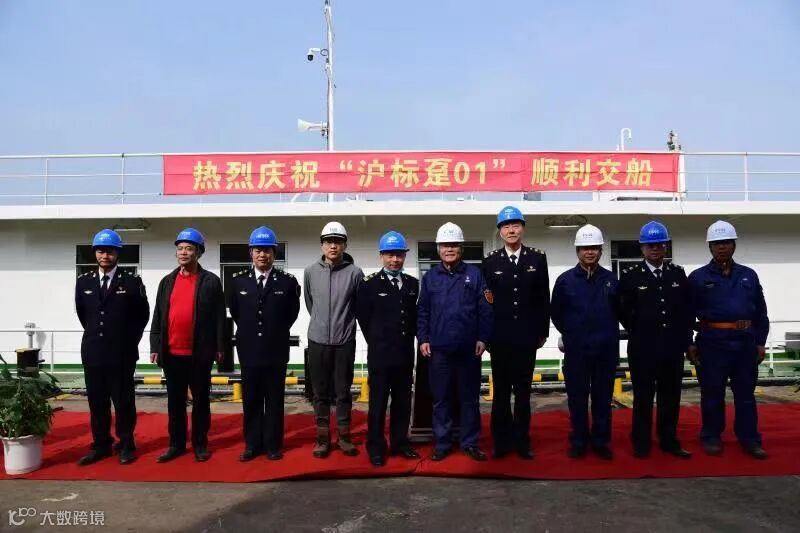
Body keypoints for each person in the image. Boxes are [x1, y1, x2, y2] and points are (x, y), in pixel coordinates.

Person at [687, 220, 769, 459]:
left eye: (726, 242)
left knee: (746, 395)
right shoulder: (698, 277)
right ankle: (711, 436)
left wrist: (760, 342)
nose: (722, 247)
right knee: (712, 394)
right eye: (717, 243)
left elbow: (761, 313)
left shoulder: (749, 275)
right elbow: (685, 315)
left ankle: (750, 439)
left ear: (734, 245)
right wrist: (689, 343)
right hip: (712, 343)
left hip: (745, 343)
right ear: (709, 247)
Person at [418, 222, 493, 462]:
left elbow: (485, 309)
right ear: (438, 249)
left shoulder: (475, 274)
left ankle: (470, 443)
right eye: (444, 245)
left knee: (469, 398)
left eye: (453, 245)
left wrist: (483, 338)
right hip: (439, 351)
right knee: (441, 399)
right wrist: (423, 338)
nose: (449, 249)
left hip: (469, 350)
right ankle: (442, 444)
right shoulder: (430, 277)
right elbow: (423, 311)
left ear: (461, 248)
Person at [150, 228, 226, 463]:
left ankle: (200, 444)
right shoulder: (167, 281)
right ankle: (176, 444)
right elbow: (158, 315)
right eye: (180, 248)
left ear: (199, 252)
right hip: (172, 352)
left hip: (200, 353)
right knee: (175, 402)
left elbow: (220, 318)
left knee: (201, 401)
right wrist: (155, 345)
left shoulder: (211, 281)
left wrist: (220, 347)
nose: (183, 252)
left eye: (189, 248)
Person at [74, 229, 149, 466]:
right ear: (95, 253)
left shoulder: (131, 282)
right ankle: (101, 445)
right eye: (101, 251)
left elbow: (142, 316)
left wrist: (127, 341)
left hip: (122, 353)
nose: (105, 256)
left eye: (110, 251)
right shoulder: (84, 281)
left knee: (123, 401)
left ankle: (126, 444)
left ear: (118, 254)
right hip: (93, 352)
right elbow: (84, 315)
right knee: (97, 402)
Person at [619, 221, 692, 459]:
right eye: (650, 245)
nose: (655, 249)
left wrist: (686, 341)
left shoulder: (677, 274)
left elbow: (685, 311)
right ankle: (641, 442)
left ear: (666, 246)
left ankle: (668, 440)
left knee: (670, 397)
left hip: (671, 348)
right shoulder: (630, 276)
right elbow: (623, 311)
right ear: (642, 248)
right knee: (643, 397)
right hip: (643, 349)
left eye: (659, 244)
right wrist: (642, 331)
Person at [482, 206, 549, 459]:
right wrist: (486, 336)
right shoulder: (490, 261)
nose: (511, 230)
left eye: (516, 225)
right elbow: (486, 302)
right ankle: (501, 442)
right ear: (500, 231)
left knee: (523, 392)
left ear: (523, 228)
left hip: (526, 338)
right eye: (506, 226)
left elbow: (543, 297)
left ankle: (522, 441)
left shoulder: (537, 258)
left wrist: (542, 332)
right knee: (500, 393)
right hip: (499, 339)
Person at [229, 226, 300, 462]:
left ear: (274, 253)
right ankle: (252, 444)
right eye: (258, 250)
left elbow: (291, 314)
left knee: (274, 400)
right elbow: (237, 313)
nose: (262, 255)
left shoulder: (287, 282)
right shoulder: (238, 281)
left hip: (275, 350)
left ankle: (273, 444)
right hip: (249, 350)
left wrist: (273, 332)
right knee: (251, 400)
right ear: (251, 253)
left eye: (267, 250)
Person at [551, 224, 620, 460]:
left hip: (605, 351)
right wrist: (573, 334)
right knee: (577, 400)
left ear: (601, 251)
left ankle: (601, 442)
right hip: (576, 351)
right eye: (584, 248)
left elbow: (621, 311)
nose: (589, 252)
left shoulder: (611, 280)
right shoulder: (565, 281)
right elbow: (556, 313)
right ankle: (579, 441)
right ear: (577, 251)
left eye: (594, 248)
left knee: (602, 399)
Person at [356, 231, 420, 466]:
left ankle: (400, 443)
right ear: (381, 256)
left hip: (404, 354)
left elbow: (413, 319)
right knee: (378, 404)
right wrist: (378, 341)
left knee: (402, 403)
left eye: (399, 255)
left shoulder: (412, 284)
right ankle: (376, 447)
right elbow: (364, 318)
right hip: (380, 355)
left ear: (404, 256)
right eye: (390, 255)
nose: (395, 260)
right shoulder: (369, 284)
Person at [304, 221, 363, 458]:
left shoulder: (355, 273)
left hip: (344, 342)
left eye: (338, 241)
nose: (333, 246)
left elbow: (358, 305)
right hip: (318, 341)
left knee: (343, 392)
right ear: (322, 245)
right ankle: (322, 439)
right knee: (320, 393)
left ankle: (345, 437)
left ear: (345, 245)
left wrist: (341, 326)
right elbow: (310, 303)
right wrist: (322, 324)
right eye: (329, 241)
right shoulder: (310, 272)